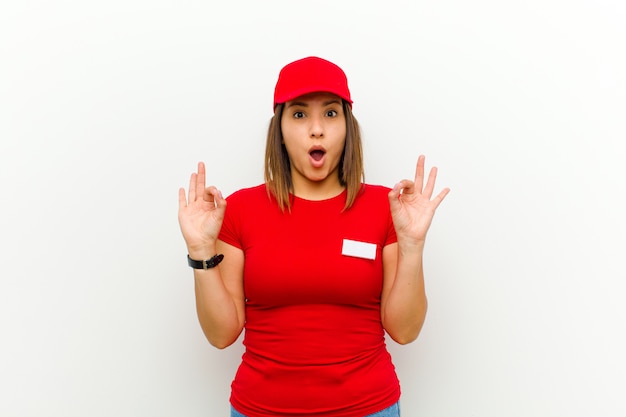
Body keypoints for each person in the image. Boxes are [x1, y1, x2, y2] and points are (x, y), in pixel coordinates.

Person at [178, 56, 449, 417]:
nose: (316, 129)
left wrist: (413, 246)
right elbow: (221, 335)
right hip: (260, 409)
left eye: (331, 114)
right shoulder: (238, 210)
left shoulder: (388, 208)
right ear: (280, 129)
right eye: (300, 114)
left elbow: (405, 330)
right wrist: (200, 251)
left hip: (368, 407)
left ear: (348, 127)